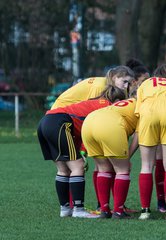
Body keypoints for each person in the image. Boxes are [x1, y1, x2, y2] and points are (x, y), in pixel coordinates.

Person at [50, 66, 136, 213]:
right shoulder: (101, 88)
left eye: (129, 83)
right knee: (78, 165)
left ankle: (103, 206)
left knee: (97, 164)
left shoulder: (105, 86)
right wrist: (84, 149)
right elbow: (96, 115)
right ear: (114, 77)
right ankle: (89, 206)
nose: (126, 86)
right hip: (64, 119)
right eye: (124, 81)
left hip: (66, 119)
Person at [37, 85, 126, 218]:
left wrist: (82, 152)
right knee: (78, 166)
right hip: (60, 123)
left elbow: (81, 132)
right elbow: (94, 128)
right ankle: (78, 209)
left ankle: (65, 209)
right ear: (116, 101)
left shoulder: (92, 102)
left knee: (63, 170)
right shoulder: (107, 106)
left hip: (45, 121)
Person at [135, 64, 166, 220]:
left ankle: (145, 211)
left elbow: (137, 110)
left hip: (148, 111)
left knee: (146, 166)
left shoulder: (145, 84)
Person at [81, 96, 139, 219]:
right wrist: (127, 157)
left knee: (103, 168)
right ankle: (118, 211)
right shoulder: (144, 105)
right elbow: (138, 135)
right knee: (123, 169)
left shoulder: (127, 102)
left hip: (89, 121)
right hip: (109, 124)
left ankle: (104, 210)